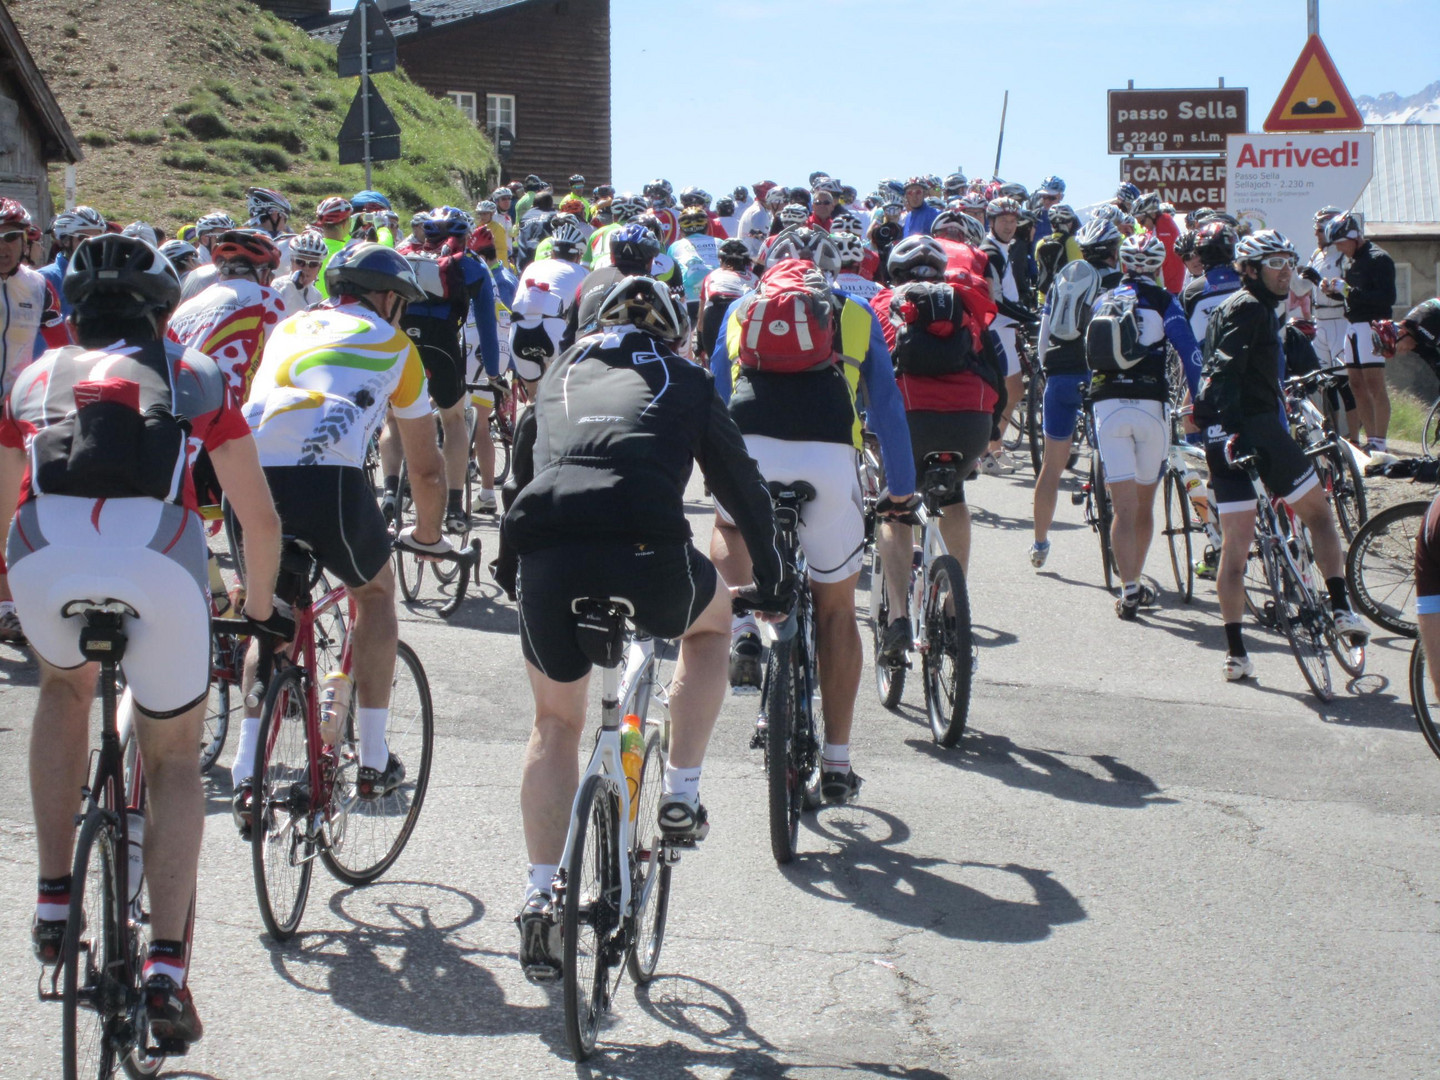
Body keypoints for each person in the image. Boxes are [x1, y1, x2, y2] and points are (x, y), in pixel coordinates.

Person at [7, 233, 284, 1047]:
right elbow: (256, 517)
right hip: (161, 562)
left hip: (45, 553)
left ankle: (54, 898)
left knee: (63, 690)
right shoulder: (193, 375)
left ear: (73, 311)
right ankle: (165, 966)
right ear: (164, 311)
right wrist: (260, 607)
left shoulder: (31, 377)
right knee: (172, 756)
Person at [494, 275, 789, 979]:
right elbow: (739, 486)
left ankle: (541, 897)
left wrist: (512, 572)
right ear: (675, 333)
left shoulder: (559, 372)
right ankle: (682, 792)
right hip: (646, 552)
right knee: (710, 629)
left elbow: (519, 481)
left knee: (554, 725)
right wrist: (772, 578)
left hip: (548, 554)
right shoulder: (685, 377)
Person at [234, 243, 452, 825]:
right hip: (327, 480)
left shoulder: (288, 326)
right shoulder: (397, 347)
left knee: (269, 618)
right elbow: (426, 467)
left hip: (248, 478)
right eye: (399, 301)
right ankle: (374, 759)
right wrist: (429, 535)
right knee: (375, 597)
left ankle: (245, 765)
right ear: (386, 298)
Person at [710, 231, 917, 801]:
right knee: (835, 609)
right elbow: (888, 407)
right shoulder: (854, 313)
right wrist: (900, 491)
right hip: (828, 458)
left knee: (729, 525)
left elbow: (712, 396)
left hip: (750, 451)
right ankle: (836, 762)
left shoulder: (739, 311)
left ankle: (746, 626)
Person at [1194, 230, 1369, 680]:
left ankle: (1236, 656)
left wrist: (1219, 425)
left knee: (1234, 549)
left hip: (1222, 438)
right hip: (1256, 430)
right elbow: (1223, 372)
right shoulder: (1252, 309)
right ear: (1248, 269)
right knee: (1320, 515)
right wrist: (1241, 427)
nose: (1286, 270)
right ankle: (1340, 607)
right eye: (1275, 263)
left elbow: (1211, 372)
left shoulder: (1232, 309)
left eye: (1288, 261)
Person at [870, 234, 1005, 662]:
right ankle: (953, 610)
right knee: (954, 495)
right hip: (971, 421)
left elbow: (864, 370)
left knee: (898, 503)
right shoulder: (964, 303)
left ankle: (896, 618)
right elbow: (996, 365)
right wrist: (994, 427)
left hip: (910, 417)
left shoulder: (881, 305)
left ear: (895, 273)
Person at [1085, 232, 1203, 618]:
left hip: (1108, 404)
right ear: (1156, 266)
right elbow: (1188, 351)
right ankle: (1138, 570)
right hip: (1151, 404)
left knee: (1121, 508)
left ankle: (1130, 587)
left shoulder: (1103, 299)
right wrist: (1199, 398)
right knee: (1144, 505)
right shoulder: (1165, 300)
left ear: (1123, 265)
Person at [391, 209, 500, 533]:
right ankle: (454, 506)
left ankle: (388, 492)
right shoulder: (471, 265)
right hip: (442, 342)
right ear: (465, 237)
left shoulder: (402, 257)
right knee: (453, 420)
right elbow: (487, 327)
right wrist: (493, 374)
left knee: (393, 419)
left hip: (401, 340)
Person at [1030, 218, 1124, 568]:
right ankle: (1118, 551)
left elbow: (1044, 337)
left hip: (1059, 375)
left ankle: (1039, 544)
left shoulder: (1064, 280)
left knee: (1052, 467)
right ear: (1116, 251)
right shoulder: (1121, 285)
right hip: (1099, 377)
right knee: (1113, 464)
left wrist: (1047, 370)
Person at [165, 230, 287, 407]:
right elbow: (281, 360)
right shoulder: (265, 297)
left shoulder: (184, 307)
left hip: (174, 406)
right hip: (225, 406)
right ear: (263, 272)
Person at [1322, 212, 1396, 452]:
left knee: (1374, 384)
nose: (1341, 249)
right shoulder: (1351, 261)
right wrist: (1335, 291)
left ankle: (1380, 441)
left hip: (1372, 326)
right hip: (1353, 325)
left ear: (1354, 236)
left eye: (1342, 243)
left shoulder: (1378, 259)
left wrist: (1349, 291)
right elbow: (1353, 294)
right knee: (1355, 383)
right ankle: (1371, 439)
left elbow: (1387, 298)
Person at [1130, 192, 1184, 294]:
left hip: (1170, 287)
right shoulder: (1157, 226)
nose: (1141, 226)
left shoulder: (1164, 225)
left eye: (1142, 221)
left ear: (1153, 214)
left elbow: (1155, 257)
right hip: (1166, 285)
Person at [270, 229, 326, 312]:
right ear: (292, 261)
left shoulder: (316, 295)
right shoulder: (278, 287)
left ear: (320, 267)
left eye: (313, 264)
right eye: (300, 262)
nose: (306, 268)